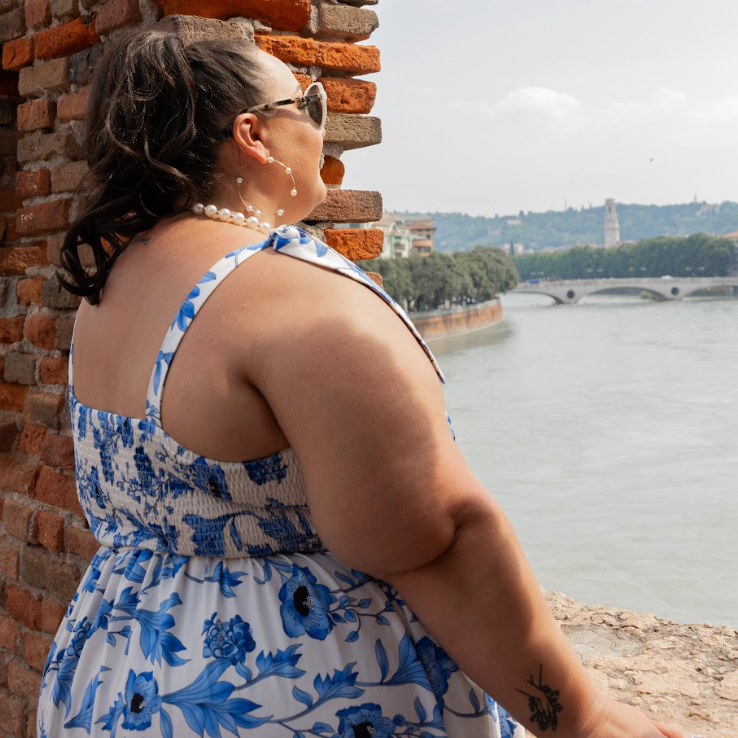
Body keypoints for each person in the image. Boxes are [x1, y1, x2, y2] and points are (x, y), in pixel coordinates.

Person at [37, 26, 689, 738]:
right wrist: (584, 716)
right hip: (289, 693)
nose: (324, 129)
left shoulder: (111, 289)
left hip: (118, 673)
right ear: (253, 135)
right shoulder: (297, 298)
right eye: (309, 106)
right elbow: (435, 541)